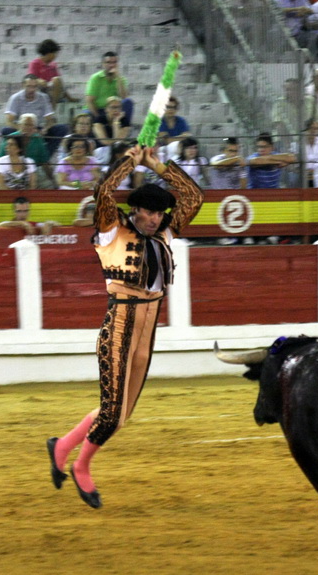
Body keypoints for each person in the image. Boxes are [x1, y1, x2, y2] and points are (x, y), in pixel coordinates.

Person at [46, 144, 204, 509]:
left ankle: (63, 446)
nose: (155, 218)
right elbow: (102, 191)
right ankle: (81, 467)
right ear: (135, 209)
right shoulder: (110, 229)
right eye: (149, 212)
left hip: (147, 332)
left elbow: (194, 195)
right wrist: (128, 163)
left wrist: (156, 164)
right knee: (113, 411)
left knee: (120, 415)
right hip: (118, 326)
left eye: (160, 212)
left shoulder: (166, 230)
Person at [4, 74, 68, 157]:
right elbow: (9, 121)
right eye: (29, 86)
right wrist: (23, 129)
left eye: (34, 87)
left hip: (37, 129)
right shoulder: (15, 98)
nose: (32, 90)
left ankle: (45, 156)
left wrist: (45, 129)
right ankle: (20, 156)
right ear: (23, 85)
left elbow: (50, 120)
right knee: (6, 131)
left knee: (62, 129)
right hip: (20, 129)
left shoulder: (43, 97)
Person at [0, 113, 53, 186]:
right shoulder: (10, 138)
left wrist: (52, 179)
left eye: (31, 125)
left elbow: (45, 162)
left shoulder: (38, 139)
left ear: (35, 128)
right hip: (10, 173)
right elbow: (0, 160)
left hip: (32, 173)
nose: (28, 127)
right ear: (20, 125)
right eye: (26, 124)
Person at [272, 77, 318, 150]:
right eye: (286, 89)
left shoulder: (311, 100)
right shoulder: (279, 103)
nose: (288, 92)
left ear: (299, 90)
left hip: (308, 140)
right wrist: (288, 146)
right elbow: (279, 125)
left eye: (292, 89)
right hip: (283, 140)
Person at [85, 51, 133, 126]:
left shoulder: (121, 79)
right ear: (103, 64)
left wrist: (118, 77)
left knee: (128, 102)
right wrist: (98, 117)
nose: (112, 65)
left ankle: (124, 128)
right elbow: (90, 101)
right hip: (97, 109)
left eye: (114, 62)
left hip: (113, 110)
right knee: (88, 114)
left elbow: (123, 97)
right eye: (108, 62)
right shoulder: (95, 78)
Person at [27, 39, 78, 107]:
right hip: (39, 90)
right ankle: (51, 108)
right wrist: (38, 80)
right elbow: (30, 79)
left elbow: (59, 83)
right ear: (49, 53)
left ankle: (53, 107)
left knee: (56, 79)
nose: (55, 56)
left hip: (51, 91)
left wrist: (70, 98)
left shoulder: (53, 65)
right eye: (54, 53)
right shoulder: (35, 63)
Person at [293, 120, 318, 186]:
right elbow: (294, 164)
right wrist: (303, 172)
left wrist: (315, 172)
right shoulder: (298, 143)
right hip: (302, 174)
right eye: (312, 128)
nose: (314, 131)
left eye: (317, 128)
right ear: (306, 129)